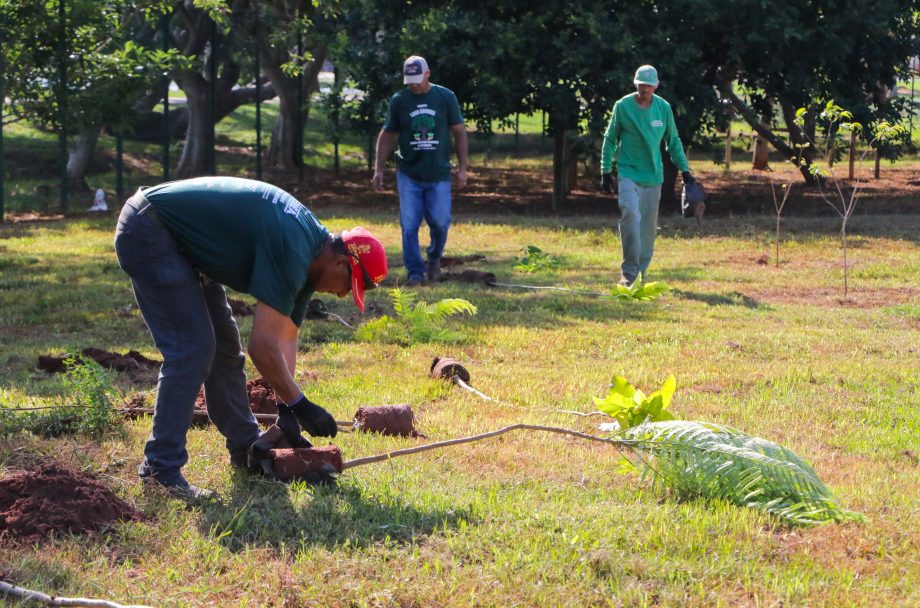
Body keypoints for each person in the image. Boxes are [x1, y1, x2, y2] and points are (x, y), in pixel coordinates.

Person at [113, 176, 387, 499]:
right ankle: (160, 469)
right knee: (193, 348)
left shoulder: (313, 257)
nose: (342, 294)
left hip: (183, 245)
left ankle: (246, 447)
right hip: (150, 229)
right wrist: (303, 404)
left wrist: (287, 408)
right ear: (340, 261)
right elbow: (262, 345)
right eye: (349, 284)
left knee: (225, 350)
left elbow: (285, 337)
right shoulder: (295, 251)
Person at [372, 55, 468, 285]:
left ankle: (434, 258)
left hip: (438, 173)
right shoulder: (399, 100)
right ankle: (415, 273)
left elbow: (459, 132)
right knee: (409, 225)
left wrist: (463, 167)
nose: (414, 84)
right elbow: (387, 135)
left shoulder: (445, 97)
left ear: (428, 74)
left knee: (440, 221)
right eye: (410, 80)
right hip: (408, 173)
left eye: (418, 78)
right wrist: (378, 169)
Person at [600, 65, 696, 285]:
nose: (644, 93)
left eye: (648, 89)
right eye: (640, 88)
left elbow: (673, 141)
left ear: (656, 87)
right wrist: (605, 171)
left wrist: (686, 171)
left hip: (653, 177)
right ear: (635, 85)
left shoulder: (663, 109)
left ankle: (641, 272)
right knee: (631, 215)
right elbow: (610, 138)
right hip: (628, 173)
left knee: (648, 230)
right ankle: (629, 272)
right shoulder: (622, 106)